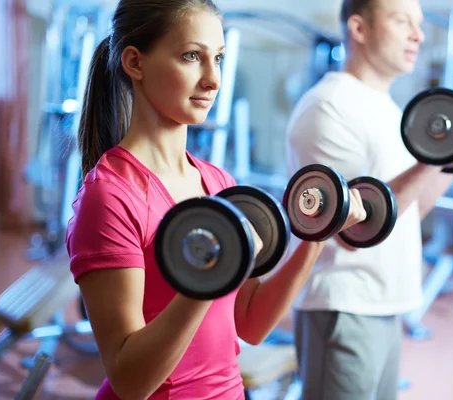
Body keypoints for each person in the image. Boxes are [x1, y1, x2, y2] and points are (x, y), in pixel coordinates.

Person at [65, 1, 367, 399]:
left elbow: (250, 322)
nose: (213, 80)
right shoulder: (110, 196)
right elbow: (129, 380)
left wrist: (316, 234)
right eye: (192, 56)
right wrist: (209, 277)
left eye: (219, 59)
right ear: (135, 63)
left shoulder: (218, 181)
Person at [285, 0, 453, 399]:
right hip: (345, 306)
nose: (419, 34)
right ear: (359, 29)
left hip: (388, 303)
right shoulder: (329, 106)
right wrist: (430, 157)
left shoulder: (387, 106)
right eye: (403, 22)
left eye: (418, 23)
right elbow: (351, 229)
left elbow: (409, 210)